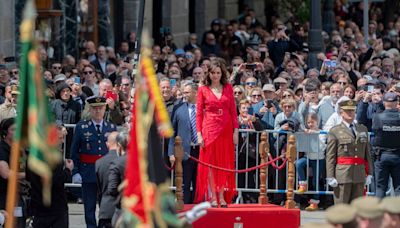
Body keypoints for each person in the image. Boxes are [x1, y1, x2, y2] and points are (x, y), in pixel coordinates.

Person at [195, 59, 238, 207]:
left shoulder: (228, 88)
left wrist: (236, 131)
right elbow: (199, 113)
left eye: (218, 73)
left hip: (226, 129)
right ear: (209, 73)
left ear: (222, 73)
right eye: (213, 73)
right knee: (211, 165)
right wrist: (199, 134)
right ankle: (213, 196)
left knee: (224, 163)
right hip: (209, 129)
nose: (215, 76)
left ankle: (222, 195)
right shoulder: (203, 89)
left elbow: (233, 111)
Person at [70, 96, 117, 228]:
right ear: (90, 110)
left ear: (104, 109)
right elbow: (74, 152)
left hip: (107, 174)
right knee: (89, 207)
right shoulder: (81, 127)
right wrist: (75, 172)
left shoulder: (111, 127)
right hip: (88, 172)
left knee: (106, 206)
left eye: (100, 108)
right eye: (95, 109)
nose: (98, 111)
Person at [326, 100, 373, 204]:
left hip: (359, 173)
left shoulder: (362, 129)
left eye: (352, 110)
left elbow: (367, 153)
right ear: (341, 112)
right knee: (341, 207)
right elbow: (330, 156)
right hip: (343, 174)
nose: (350, 113)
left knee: (357, 208)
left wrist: (369, 172)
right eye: (347, 111)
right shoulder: (335, 131)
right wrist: (330, 176)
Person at [27, 124, 73, 228]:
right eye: (59, 138)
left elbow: (28, 177)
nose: (62, 141)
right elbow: (56, 180)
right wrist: (68, 170)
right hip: (55, 207)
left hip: (38, 205)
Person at [168, 83, 200, 204]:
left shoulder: (203, 108)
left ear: (195, 92)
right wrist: (171, 152)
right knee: (184, 183)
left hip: (201, 151)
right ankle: (185, 209)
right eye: (183, 92)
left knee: (199, 183)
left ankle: (200, 211)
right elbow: (172, 132)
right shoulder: (178, 108)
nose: (184, 95)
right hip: (184, 152)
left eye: (187, 92)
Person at [371, 92, 400, 198]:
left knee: (380, 187)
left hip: (381, 156)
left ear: (384, 102)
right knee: (398, 188)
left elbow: (374, 128)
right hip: (397, 155)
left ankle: (379, 213)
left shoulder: (378, 117)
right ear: (396, 103)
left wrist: (378, 105)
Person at [296, 113, 326, 211]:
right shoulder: (307, 132)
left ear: (317, 122)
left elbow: (321, 147)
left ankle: (314, 202)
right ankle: (303, 184)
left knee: (315, 181)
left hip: (318, 158)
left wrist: (314, 134)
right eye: (308, 122)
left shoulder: (322, 132)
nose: (310, 124)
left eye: (312, 122)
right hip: (308, 157)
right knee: (298, 163)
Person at [0, 118, 26, 228]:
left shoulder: (19, 149)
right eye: (13, 129)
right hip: (4, 196)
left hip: (18, 195)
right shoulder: (2, 149)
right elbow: (5, 173)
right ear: (5, 132)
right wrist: (29, 175)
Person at [95, 131, 119, 228]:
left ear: (107, 144)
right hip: (121, 212)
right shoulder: (125, 161)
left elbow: (99, 189)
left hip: (105, 209)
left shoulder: (99, 163)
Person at [107, 131, 128, 226]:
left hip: (122, 209)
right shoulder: (141, 161)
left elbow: (112, 188)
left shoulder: (116, 163)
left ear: (119, 146)